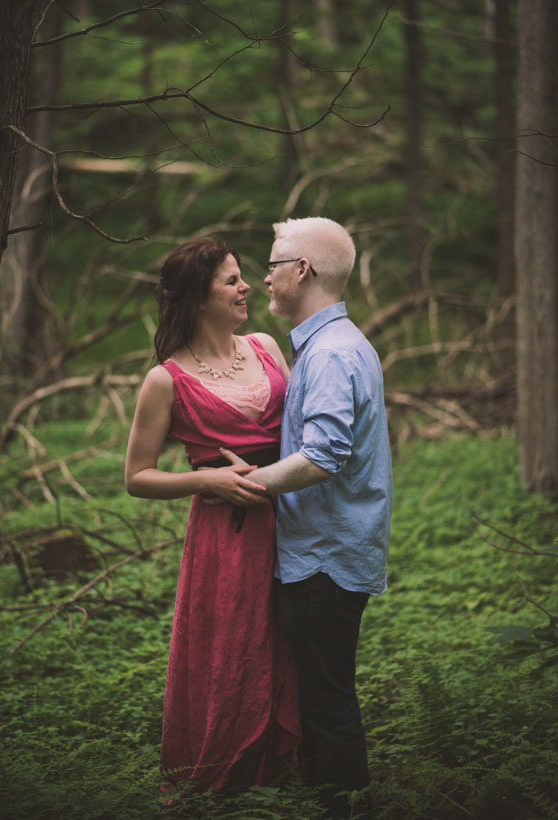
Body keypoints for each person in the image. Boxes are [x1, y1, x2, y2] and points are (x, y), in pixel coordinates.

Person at [219, 217, 393, 819]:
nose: (264, 277)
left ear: (303, 271)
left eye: (272, 264)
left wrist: (247, 483)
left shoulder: (330, 355)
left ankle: (347, 810)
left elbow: (322, 457)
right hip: (328, 554)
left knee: (329, 703)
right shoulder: (336, 345)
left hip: (325, 558)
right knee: (323, 700)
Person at [125, 238, 301, 794]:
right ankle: (220, 777)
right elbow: (136, 476)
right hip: (224, 537)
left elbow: (302, 433)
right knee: (231, 650)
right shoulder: (165, 380)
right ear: (199, 300)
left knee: (290, 643)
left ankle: (283, 772)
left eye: (242, 277)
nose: (247, 286)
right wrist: (207, 480)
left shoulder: (267, 347)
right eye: (231, 281)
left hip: (292, 523)